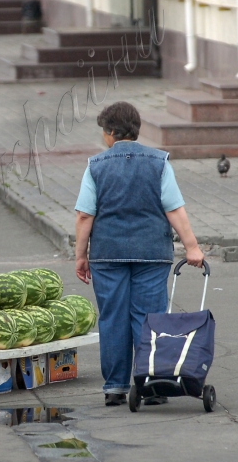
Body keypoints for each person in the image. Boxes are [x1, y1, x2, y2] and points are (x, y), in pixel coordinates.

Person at [74, 101, 204, 407]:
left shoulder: (96, 165)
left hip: (107, 254)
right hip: (151, 253)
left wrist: (81, 255)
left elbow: (84, 216)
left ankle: (115, 388)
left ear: (109, 133)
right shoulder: (159, 162)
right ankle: (151, 385)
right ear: (137, 129)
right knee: (149, 319)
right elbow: (173, 208)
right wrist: (192, 246)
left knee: (112, 318)